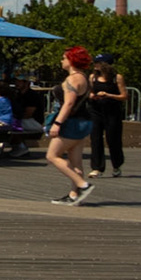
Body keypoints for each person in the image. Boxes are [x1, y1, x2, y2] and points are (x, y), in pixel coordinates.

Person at [47, 46, 96, 205]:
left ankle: (83, 185)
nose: (61, 61)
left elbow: (68, 103)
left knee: (52, 155)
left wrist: (57, 123)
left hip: (72, 122)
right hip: (84, 121)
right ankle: (74, 195)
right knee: (76, 160)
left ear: (71, 60)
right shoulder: (84, 77)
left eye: (64, 58)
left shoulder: (73, 79)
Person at [88, 53, 128, 178]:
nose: (95, 65)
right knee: (95, 138)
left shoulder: (117, 78)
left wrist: (109, 95)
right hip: (96, 110)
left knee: (113, 139)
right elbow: (89, 92)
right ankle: (97, 168)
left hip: (112, 111)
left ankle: (117, 165)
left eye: (98, 63)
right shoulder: (93, 77)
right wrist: (92, 96)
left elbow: (124, 96)